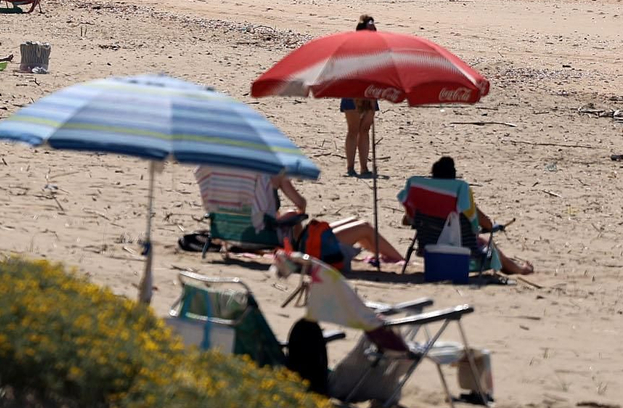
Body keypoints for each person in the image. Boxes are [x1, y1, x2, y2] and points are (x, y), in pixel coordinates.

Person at [194, 165, 403, 266]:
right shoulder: (269, 173)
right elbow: (302, 205)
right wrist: (283, 185)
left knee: (359, 226)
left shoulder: (222, 177)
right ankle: (400, 261)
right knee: (364, 227)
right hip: (293, 246)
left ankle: (387, 257)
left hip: (244, 238)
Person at [399, 157, 534, 274]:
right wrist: (492, 226)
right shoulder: (460, 197)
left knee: (484, 242)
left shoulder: (422, 201)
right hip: (461, 249)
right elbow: (487, 225)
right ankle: (520, 270)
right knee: (488, 243)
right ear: (453, 177)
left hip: (429, 247)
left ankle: (517, 269)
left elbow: (407, 221)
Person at [340, 15, 380, 177]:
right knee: (353, 130)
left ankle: (364, 167)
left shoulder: (377, 50)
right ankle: (350, 167)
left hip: (369, 93)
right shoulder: (352, 49)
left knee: (365, 129)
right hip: (352, 91)